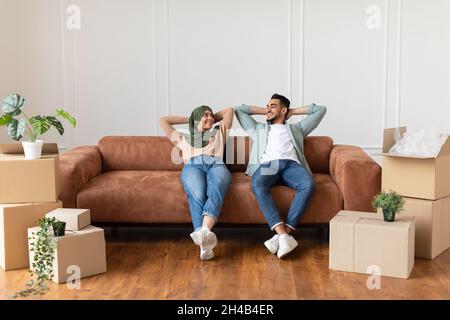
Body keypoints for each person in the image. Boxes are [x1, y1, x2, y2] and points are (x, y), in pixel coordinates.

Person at [234, 94, 327, 258]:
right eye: (267, 105)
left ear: (283, 110)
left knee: (308, 184)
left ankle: (282, 235)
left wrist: (291, 112)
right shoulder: (258, 129)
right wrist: (267, 111)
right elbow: (239, 110)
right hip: (269, 165)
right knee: (257, 184)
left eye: (273, 106)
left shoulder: (297, 129)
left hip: (291, 165)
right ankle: (284, 236)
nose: (269, 108)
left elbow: (320, 110)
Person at [159, 105, 233, 260]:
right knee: (197, 193)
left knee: (218, 185)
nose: (211, 118)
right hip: (193, 166)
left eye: (212, 115)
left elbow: (229, 111)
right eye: (205, 115)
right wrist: (191, 120)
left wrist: (210, 118)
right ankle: (204, 245)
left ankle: (204, 232)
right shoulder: (183, 138)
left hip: (215, 164)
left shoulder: (219, 133)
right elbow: (163, 120)